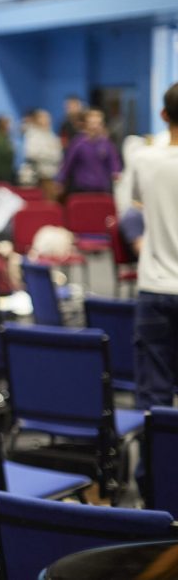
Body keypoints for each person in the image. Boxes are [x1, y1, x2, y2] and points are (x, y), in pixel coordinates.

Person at [128, 81, 178, 413]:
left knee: (154, 399)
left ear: (162, 114)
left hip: (155, 289)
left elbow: (133, 209)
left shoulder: (144, 160)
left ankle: (155, 465)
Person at [56, 108, 122, 197]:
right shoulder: (77, 143)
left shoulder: (107, 144)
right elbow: (67, 164)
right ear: (85, 124)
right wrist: (60, 180)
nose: (95, 126)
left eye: (98, 123)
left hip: (102, 189)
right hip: (81, 189)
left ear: (102, 125)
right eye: (92, 123)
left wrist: (116, 175)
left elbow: (114, 163)